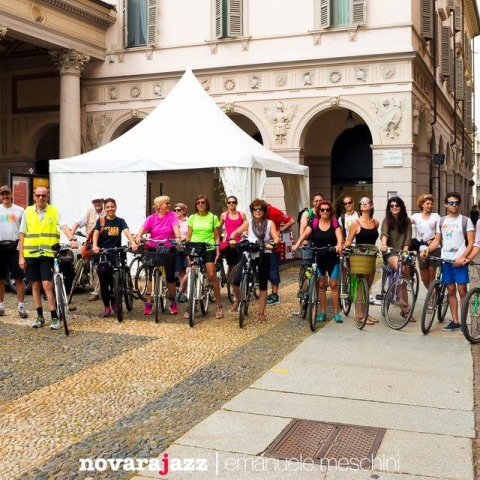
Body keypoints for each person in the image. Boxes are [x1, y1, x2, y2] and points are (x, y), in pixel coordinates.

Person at [18, 186, 78, 329]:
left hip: (48, 254)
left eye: (43, 196)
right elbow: (22, 235)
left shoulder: (54, 211)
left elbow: (63, 226)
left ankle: (54, 316)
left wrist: (71, 237)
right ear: (34, 196)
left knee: (47, 285)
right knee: (35, 285)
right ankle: (39, 317)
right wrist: (21, 257)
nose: (40, 198)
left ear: (47, 197)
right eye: (38, 195)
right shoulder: (27, 212)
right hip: (31, 254)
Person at [424, 192, 474, 332]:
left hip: (460, 262)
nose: (454, 206)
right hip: (446, 261)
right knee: (451, 291)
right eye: (451, 203)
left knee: (462, 290)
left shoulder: (465, 221)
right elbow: (437, 240)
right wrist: (427, 250)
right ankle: (455, 321)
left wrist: (463, 257)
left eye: (457, 203)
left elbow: (471, 243)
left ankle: (464, 321)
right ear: (446, 205)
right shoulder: (441, 221)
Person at [228, 199, 280, 322]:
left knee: (263, 285)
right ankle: (239, 299)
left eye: (260, 209)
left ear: (264, 211)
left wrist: (273, 243)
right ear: (252, 211)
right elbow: (235, 232)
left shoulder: (269, 223)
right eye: (255, 209)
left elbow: (276, 238)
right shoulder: (249, 223)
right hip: (249, 253)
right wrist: (231, 239)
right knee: (236, 280)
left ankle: (261, 313)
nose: (258, 211)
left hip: (264, 253)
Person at [292, 200, 344, 323]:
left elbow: (339, 237)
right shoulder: (314, 222)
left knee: (333, 284)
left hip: (332, 258)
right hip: (319, 258)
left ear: (331, 211)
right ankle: (323, 312)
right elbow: (305, 234)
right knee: (321, 285)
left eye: (327, 209)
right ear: (319, 211)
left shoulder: (334, 223)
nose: (325, 211)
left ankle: (336, 313)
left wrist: (339, 245)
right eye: (322, 209)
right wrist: (297, 245)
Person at [92, 198, 138, 317]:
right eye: (107, 207)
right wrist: (95, 246)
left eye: (112, 206)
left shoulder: (120, 221)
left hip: (115, 254)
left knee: (115, 281)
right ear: (105, 208)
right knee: (103, 282)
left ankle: (115, 303)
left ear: (115, 207)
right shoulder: (101, 221)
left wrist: (132, 242)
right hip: (102, 255)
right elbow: (96, 233)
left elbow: (126, 231)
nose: (110, 209)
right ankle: (107, 306)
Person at [135, 196, 180, 315]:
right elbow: (142, 229)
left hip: (168, 247)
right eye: (167, 203)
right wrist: (139, 236)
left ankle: (172, 302)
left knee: (170, 276)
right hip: (153, 247)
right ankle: (148, 303)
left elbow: (176, 228)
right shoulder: (151, 218)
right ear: (159, 206)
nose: (169, 205)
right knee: (150, 276)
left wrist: (178, 237)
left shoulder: (172, 216)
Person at [185, 195, 223, 319]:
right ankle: (192, 305)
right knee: (192, 274)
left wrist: (217, 249)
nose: (200, 204)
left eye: (202, 202)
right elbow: (189, 235)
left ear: (206, 204)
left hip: (208, 247)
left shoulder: (213, 217)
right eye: (198, 203)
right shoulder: (192, 217)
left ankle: (218, 305)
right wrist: (186, 249)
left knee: (212, 275)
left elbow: (217, 236)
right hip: (195, 247)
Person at [344, 196, 379, 325]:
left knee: (368, 285)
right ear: (359, 206)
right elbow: (349, 241)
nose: (364, 204)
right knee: (360, 286)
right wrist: (342, 246)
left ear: (371, 205)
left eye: (367, 202)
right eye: (362, 203)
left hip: (372, 257)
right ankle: (359, 314)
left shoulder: (376, 222)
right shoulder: (356, 223)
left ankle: (365, 313)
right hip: (359, 257)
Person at [380, 196, 413, 321]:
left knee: (405, 272)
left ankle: (405, 310)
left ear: (401, 207)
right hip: (389, 252)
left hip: (402, 251)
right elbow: (384, 234)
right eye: (392, 206)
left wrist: (405, 249)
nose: (394, 208)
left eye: (396, 205)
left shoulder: (407, 221)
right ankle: (401, 300)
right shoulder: (387, 220)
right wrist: (384, 245)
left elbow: (408, 237)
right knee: (400, 267)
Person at [70, 193, 105, 301]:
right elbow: (78, 222)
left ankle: (96, 291)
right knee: (92, 266)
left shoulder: (107, 211)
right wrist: (71, 235)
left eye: (99, 201)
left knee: (97, 266)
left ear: (102, 202)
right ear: (93, 203)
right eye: (95, 201)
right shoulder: (88, 211)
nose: (97, 203)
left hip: (104, 243)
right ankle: (93, 288)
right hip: (90, 243)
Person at [0, 185, 28, 319]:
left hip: (15, 248)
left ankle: (21, 306)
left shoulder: (20, 210)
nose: (5, 196)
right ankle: (1, 306)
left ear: (11, 194)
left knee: (18, 278)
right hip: (0, 248)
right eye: (2, 194)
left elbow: (24, 232)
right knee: (0, 279)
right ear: (0, 196)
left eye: (7, 194)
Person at [266, 203, 295, 305]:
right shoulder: (257, 212)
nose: (257, 212)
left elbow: (291, 221)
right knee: (265, 270)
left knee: (273, 271)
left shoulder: (273, 211)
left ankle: (275, 294)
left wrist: (280, 231)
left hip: (273, 245)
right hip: (262, 245)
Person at [410, 194, 441, 289]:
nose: (430, 205)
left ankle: (432, 299)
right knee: (424, 277)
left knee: (432, 273)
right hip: (421, 248)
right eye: (427, 203)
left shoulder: (436, 216)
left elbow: (439, 232)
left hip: (434, 247)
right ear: (422, 204)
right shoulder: (416, 216)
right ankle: (431, 294)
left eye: (431, 203)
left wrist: (433, 240)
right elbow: (405, 223)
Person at [219, 195, 247, 275]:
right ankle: (233, 285)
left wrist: (245, 234)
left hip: (240, 242)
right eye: (229, 202)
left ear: (236, 203)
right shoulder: (224, 215)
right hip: (229, 243)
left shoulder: (242, 214)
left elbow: (246, 227)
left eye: (233, 202)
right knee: (232, 266)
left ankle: (241, 283)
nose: (231, 204)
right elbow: (218, 227)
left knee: (240, 265)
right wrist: (221, 236)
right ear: (227, 204)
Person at [173, 202, 189, 303]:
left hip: (187, 246)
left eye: (178, 210)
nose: (176, 212)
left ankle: (181, 289)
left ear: (184, 211)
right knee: (181, 271)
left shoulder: (188, 221)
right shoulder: (173, 221)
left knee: (189, 269)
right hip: (177, 247)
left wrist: (185, 239)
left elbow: (191, 232)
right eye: (175, 210)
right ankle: (184, 293)